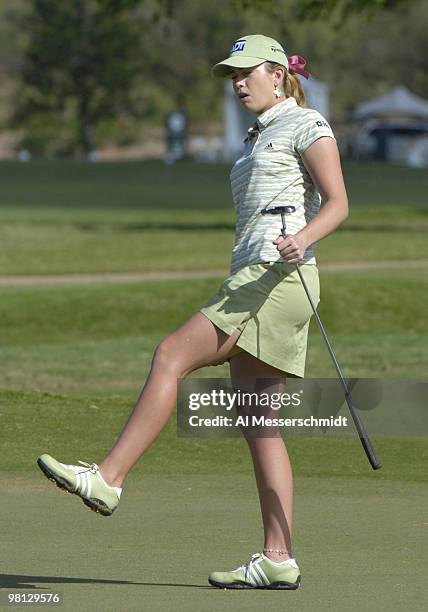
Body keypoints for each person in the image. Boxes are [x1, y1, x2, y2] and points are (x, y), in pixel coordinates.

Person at [37, 34, 349, 590]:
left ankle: (108, 479)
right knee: (258, 424)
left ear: (277, 73)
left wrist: (304, 236)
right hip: (257, 277)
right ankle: (278, 557)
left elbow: (339, 201)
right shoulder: (258, 135)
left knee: (169, 356)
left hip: (276, 277)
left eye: (246, 71)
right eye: (232, 73)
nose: (237, 81)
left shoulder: (307, 123)